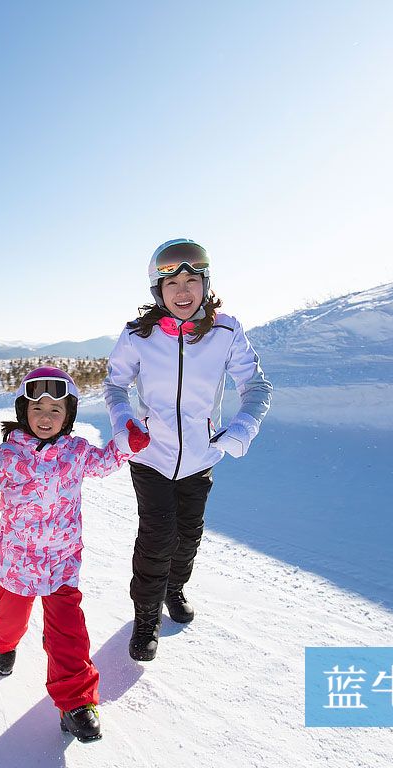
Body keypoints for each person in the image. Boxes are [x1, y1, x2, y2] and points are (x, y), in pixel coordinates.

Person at [0, 366, 149, 741]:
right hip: (16, 565)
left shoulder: (76, 452)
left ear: (68, 417)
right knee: (8, 623)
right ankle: (3, 646)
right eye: (37, 409)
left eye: (55, 410)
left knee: (68, 632)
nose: (45, 418)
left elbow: (105, 462)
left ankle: (76, 702)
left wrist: (126, 444)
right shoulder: (8, 456)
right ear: (22, 411)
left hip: (63, 563)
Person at [104, 239, 272, 661]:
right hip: (150, 456)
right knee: (157, 536)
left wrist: (243, 426)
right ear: (157, 291)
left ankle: (174, 589)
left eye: (191, 280)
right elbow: (113, 385)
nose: (183, 291)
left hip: (200, 457)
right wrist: (126, 424)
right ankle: (146, 619)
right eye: (172, 282)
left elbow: (256, 386)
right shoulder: (137, 336)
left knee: (188, 537)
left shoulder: (226, 331)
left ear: (205, 284)